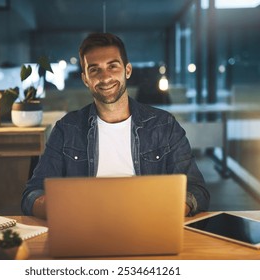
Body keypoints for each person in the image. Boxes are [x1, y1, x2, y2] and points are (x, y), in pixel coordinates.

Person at [21, 32, 209, 219]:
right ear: (85, 79)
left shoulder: (164, 125)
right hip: (85, 227)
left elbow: (196, 189)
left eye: (113, 66)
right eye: (94, 69)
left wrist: (166, 215)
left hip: (148, 223)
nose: (105, 77)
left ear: (127, 70)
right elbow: (32, 194)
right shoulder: (66, 129)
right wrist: (67, 213)